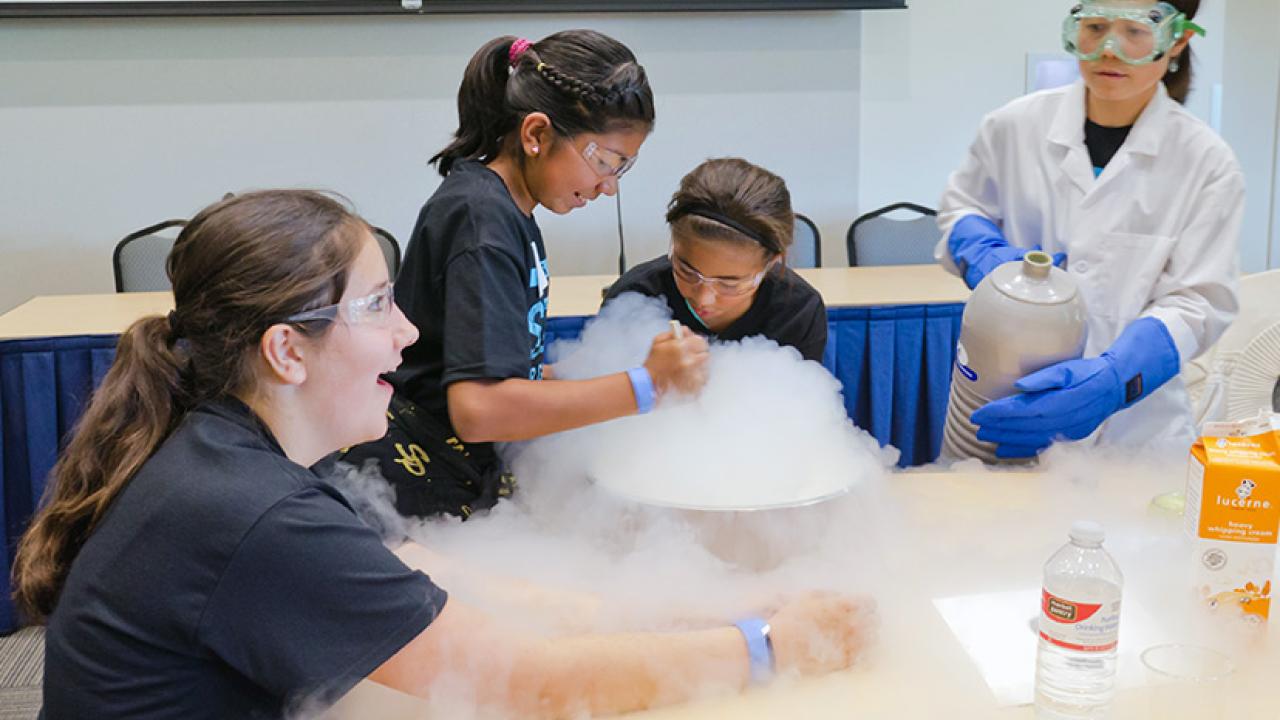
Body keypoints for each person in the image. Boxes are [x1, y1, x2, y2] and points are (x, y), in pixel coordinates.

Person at [13, 190, 870, 719]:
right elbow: (531, 682)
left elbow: (464, 585)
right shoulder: (254, 514)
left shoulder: (242, 456)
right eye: (378, 306)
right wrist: (770, 648)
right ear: (286, 351)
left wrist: (725, 608)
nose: (409, 333)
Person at [341, 31, 710, 519]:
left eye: (622, 169)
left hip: (452, 467)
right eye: (604, 162)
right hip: (421, 482)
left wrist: (597, 375)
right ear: (535, 134)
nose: (608, 187)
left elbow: (496, 366)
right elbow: (479, 410)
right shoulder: (482, 222)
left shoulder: (505, 210)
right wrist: (646, 386)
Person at [935, 0, 1243, 459]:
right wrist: (981, 251)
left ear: (1177, 40)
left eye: (1135, 31)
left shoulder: (1206, 162)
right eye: (1095, 27)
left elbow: (1200, 301)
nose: (1109, 49)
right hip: (1004, 400)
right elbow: (962, 207)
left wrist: (1116, 379)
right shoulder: (1013, 126)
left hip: (1137, 436)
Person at [605, 158, 828, 363]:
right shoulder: (633, 298)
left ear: (770, 263)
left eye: (729, 284)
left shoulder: (797, 311)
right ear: (674, 244)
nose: (704, 299)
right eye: (687, 272)